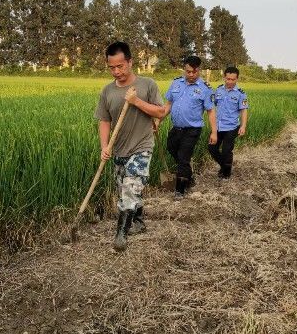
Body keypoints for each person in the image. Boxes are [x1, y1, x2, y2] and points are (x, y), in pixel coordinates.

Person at [94, 41, 164, 251]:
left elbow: (160, 112)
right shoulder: (107, 92)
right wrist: (104, 146)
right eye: (112, 67)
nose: (116, 71)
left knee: (130, 187)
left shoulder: (147, 85)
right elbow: (104, 121)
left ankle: (120, 235)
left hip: (142, 146)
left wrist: (136, 102)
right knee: (127, 189)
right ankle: (139, 222)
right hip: (119, 149)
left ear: (130, 62)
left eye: (120, 66)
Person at [161, 56, 217, 199]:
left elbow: (211, 112)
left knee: (183, 157)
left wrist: (214, 132)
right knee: (171, 148)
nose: (191, 75)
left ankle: (180, 191)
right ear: (184, 69)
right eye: (188, 71)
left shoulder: (205, 89)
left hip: (192, 129)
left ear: (199, 70)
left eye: (194, 72)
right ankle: (188, 174)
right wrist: (157, 121)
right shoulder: (175, 83)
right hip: (177, 128)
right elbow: (168, 105)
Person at [208, 65, 248, 179]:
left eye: (233, 79)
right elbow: (212, 106)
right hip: (218, 127)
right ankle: (225, 166)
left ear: (237, 79)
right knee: (211, 148)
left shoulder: (241, 93)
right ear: (224, 77)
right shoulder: (219, 90)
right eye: (228, 79)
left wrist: (243, 126)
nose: (230, 81)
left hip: (231, 127)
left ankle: (226, 174)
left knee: (226, 151)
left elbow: (244, 110)